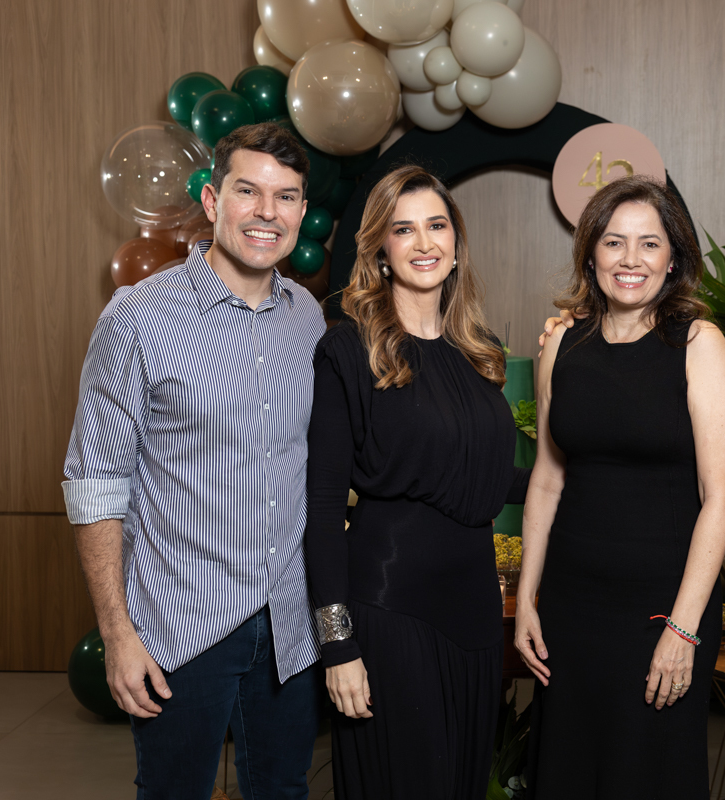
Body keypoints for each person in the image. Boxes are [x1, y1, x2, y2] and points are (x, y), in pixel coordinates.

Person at [63, 122, 325, 798]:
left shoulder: (309, 318)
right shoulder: (137, 317)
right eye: (248, 191)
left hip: (291, 625)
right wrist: (117, 634)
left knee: (284, 790)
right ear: (211, 201)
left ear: (301, 211)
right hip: (183, 624)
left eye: (286, 197)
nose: (267, 212)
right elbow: (95, 483)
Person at [304, 165, 530, 799]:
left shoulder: (478, 351)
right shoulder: (348, 351)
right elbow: (322, 507)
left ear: (456, 243)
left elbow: (483, 478)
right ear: (381, 248)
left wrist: (588, 480)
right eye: (404, 230)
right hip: (389, 609)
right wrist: (338, 646)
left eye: (437, 226)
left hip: (475, 614)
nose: (425, 243)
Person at [514, 175, 725, 799]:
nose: (630, 259)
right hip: (570, 608)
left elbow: (719, 499)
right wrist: (528, 598)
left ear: (673, 259)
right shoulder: (561, 343)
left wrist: (684, 629)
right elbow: (547, 481)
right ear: (590, 253)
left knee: (648, 776)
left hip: (660, 611)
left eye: (649, 243)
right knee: (566, 774)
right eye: (614, 242)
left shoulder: (699, 345)